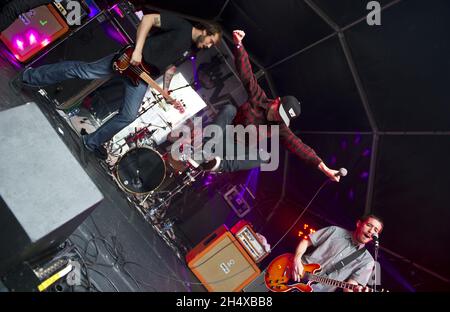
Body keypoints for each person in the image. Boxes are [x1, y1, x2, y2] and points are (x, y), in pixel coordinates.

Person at [11, 11, 222, 159]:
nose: (209, 46)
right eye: (211, 41)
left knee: (129, 115)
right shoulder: (181, 26)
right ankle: (29, 77)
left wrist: (165, 89)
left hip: (141, 77)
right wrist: (138, 50)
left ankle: (91, 142)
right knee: (82, 71)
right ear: (206, 30)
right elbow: (148, 19)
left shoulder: (191, 50)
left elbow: (169, 68)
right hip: (129, 60)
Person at [198, 30, 339, 182]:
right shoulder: (258, 97)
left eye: (282, 118)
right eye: (279, 113)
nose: (278, 118)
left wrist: (324, 168)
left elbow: (300, 147)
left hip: (237, 150)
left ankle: (218, 165)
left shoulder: (280, 127)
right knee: (229, 109)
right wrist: (239, 45)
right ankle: (205, 150)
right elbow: (247, 74)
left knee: (264, 156)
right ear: (276, 101)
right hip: (223, 134)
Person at [292, 214, 384, 292]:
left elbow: (350, 286)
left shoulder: (367, 261)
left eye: (376, 230)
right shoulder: (335, 231)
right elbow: (305, 242)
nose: (371, 231)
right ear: (359, 224)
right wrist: (296, 260)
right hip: (294, 271)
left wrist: (355, 289)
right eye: (369, 225)